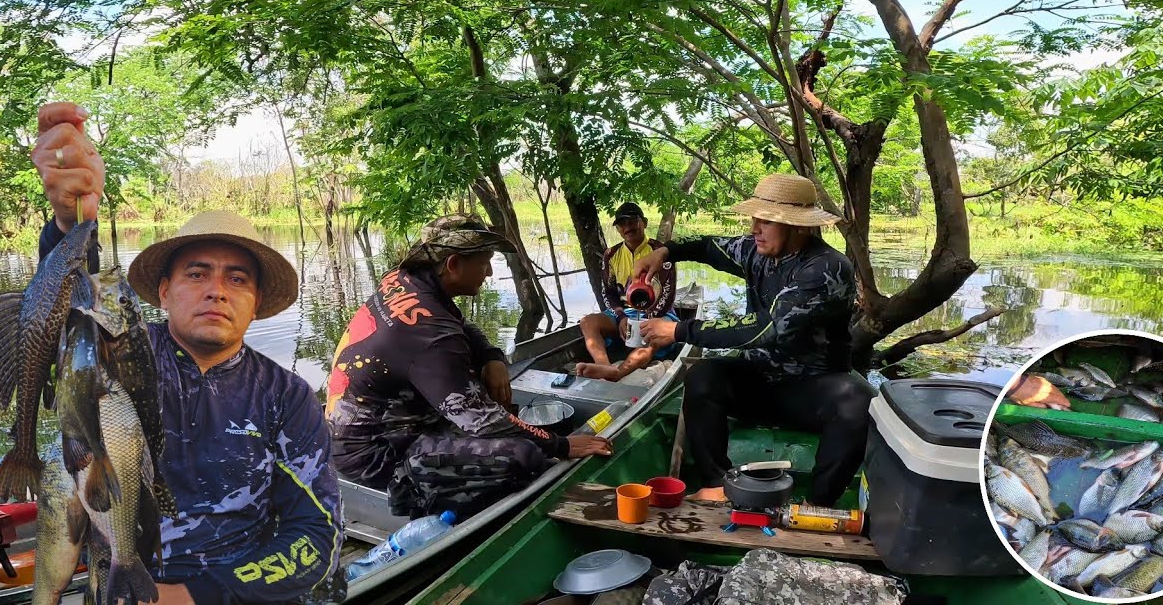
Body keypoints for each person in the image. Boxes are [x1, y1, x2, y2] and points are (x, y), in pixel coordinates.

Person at [32, 102, 344, 604]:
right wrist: (70, 225)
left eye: (236, 278)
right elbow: (71, 314)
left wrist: (197, 595)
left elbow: (317, 534)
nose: (216, 291)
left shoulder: (286, 395)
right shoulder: (122, 355)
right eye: (197, 274)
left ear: (256, 302)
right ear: (163, 291)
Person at [325, 215, 612, 518]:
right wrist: (560, 445)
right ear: (453, 264)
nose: (488, 272)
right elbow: (482, 421)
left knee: (498, 410)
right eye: (485, 262)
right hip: (377, 453)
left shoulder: (405, 281)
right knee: (525, 456)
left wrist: (491, 356)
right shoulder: (432, 337)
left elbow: (461, 326)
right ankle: (419, 496)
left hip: (374, 426)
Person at [631, 173, 875, 507]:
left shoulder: (827, 268)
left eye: (767, 221)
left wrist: (679, 331)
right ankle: (716, 485)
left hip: (812, 388)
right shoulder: (755, 250)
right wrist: (665, 251)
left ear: (799, 226)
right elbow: (707, 247)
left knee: (858, 400)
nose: (754, 229)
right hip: (759, 379)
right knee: (703, 376)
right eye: (755, 219)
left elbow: (767, 327)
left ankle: (818, 503)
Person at [576, 202, 677, 382]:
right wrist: (621, 316)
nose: (627, 227)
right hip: (623, 312)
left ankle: (618, 373)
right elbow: (608, 292)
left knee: (649, 339)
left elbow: (668, 294)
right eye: (622, 224)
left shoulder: (659, 251)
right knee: (587, 322)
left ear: (644, 223)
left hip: (659, 313)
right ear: (618, 229)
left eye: (632, 221)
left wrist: (646, 320)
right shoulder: (611, 254)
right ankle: (605, 366)